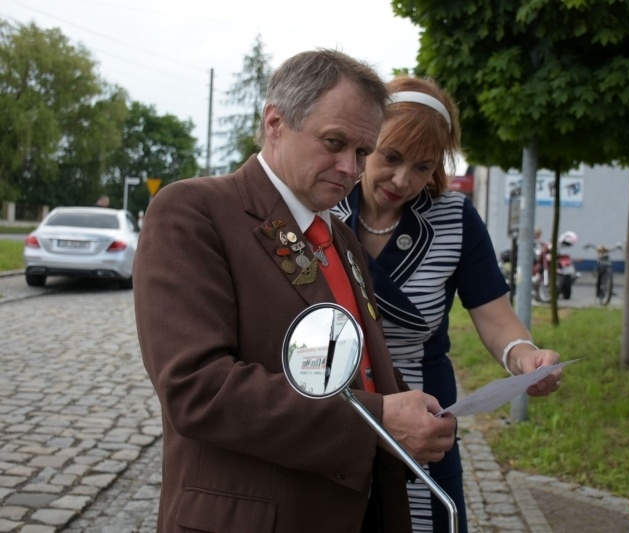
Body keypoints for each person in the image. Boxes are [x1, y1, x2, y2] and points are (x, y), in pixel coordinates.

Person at [133, 50, 457, 533]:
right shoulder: (194, 211)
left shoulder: (340, 237)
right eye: (334, 142)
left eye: (363, 152)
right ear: (275, 123)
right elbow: (197, 388)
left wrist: (407, 413)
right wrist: (379, 419)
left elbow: (360, 368)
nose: (350, 168)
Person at [332, 76, 562, 533]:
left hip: (424, 418)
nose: (403, 180)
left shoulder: (455, 218)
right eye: (391, 158)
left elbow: (497, 319)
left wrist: (525, 357)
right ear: (367, 141)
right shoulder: (325, 205)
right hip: (338, 409)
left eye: (423, 167)